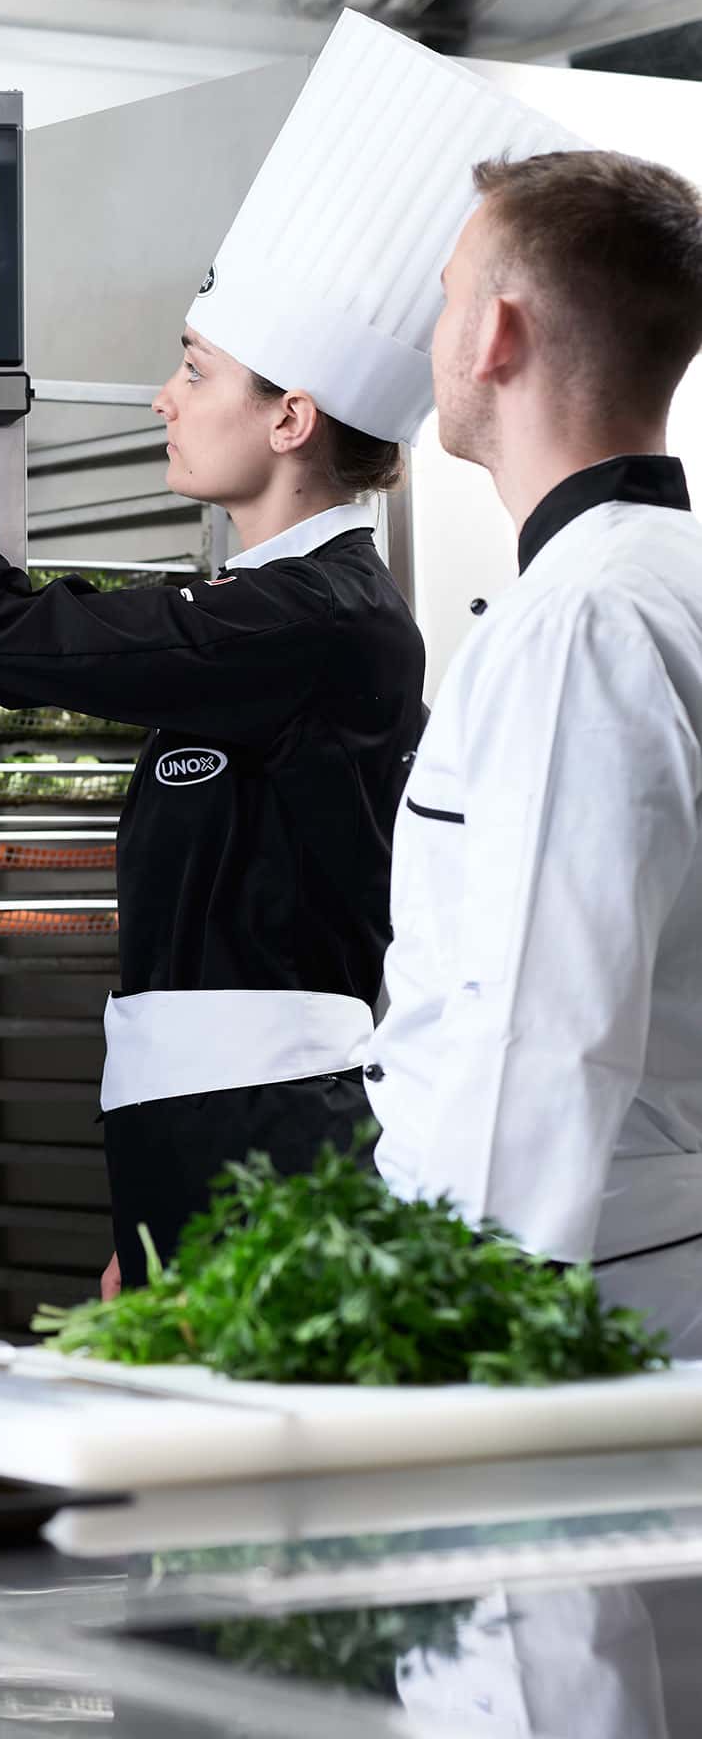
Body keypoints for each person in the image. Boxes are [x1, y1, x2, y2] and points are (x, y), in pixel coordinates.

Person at [0, 11, 574, 1295]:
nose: (161, 398)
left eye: (193, 369)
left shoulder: (322, 621)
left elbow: (13, 630)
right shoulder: (258, 613)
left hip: (275, 1133)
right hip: (202, 1137)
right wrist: (156, 1209)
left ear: (289, 416)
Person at [369, 148, 702, 1356]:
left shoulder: (584, 620)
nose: (435, 331)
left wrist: (451, 1328)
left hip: (573, 1283)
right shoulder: (656, 582)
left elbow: (541, 1024)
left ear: (494, 333)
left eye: (449, 294)